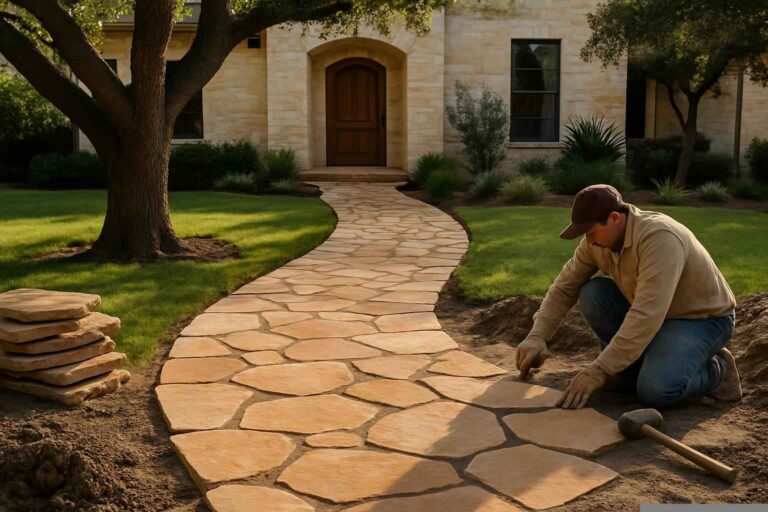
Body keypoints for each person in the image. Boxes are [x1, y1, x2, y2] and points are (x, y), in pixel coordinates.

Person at [515, 184, 742, 409]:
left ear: (615, 218)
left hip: (701, 319)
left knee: (656, 390)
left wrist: (599, 370)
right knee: (592, 294)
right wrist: (537, 336)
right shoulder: (595, 243)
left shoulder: (660, 238)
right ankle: (627, 369)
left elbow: (646, 314)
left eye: (592, 232)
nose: (589, 240)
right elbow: (565, 288)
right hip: (656, 315)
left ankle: (717, 370)